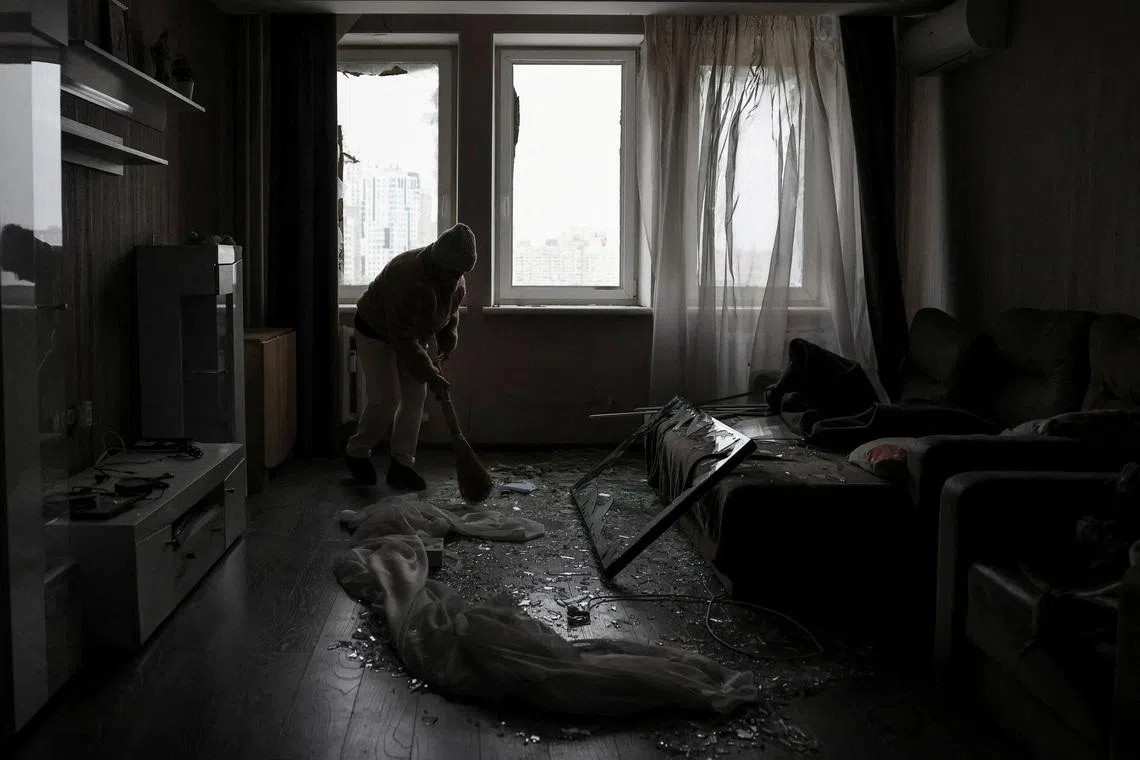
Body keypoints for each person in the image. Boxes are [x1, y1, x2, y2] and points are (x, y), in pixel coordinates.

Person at [345, 222, 476, 490]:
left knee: (415, 399)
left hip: (414, 332)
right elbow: (402, 339)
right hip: (375, 331)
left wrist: (448, 335)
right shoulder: (407, 278)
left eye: (461, 273)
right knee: (386, 399)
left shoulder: (455, 276)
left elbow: (450, 311)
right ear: (438, 264)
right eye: (453, 273)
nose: (458, 278)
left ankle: (402, 465)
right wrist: (430, 373)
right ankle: (357, 452)